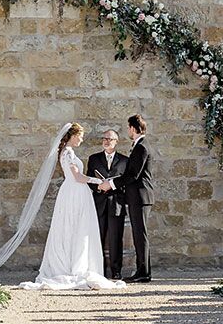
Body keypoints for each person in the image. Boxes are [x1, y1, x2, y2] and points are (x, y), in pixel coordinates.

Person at [21, 123, 126, 290]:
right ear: (73, 135)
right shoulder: (68, 153)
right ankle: (74, 265)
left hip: (74, 192)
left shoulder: (67, 152)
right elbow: (77, 177)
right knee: (76, 227)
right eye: (80, 136)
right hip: (74, 192)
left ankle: (74, 262)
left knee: (75, 228)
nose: (82, 139)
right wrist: (98, 181)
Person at [99, 115, 155, 283]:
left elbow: (133, 175)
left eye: (128, 128)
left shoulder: (142, 147)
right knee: (139, 234)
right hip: (136, 197)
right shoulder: (139, 146)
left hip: (140, 196)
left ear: (132, 128)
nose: (128, 131)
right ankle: (142, 270)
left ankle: (143, 272)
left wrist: (111, 183)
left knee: (140, 234)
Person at [86, 130, 127, 278]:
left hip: (116, 204)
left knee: (116, 239)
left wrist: (112, 185)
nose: (106, 141)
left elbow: (126, 182)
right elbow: (89, 179)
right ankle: (99, 270)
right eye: (104, 138)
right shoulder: (94, 159)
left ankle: (116, 271)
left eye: (110, 139)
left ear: (116, 141)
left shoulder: (124, 161)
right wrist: (98, 186)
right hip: (99, 203)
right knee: (98, 238)